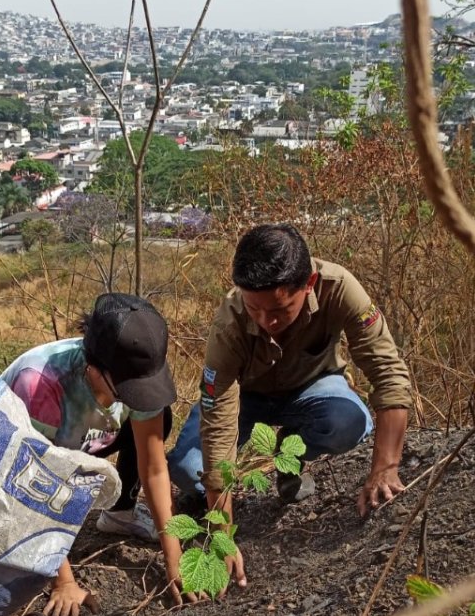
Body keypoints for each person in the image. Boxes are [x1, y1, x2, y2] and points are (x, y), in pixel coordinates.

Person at [168, 223, 413, 593]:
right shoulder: (229, 324)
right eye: (256, 309)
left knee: (349, 422)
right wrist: (222, 535)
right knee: (187, 469)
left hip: (312, 387)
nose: (268, 321)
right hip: (245, 399)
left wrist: (385, 468)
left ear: (309, 283)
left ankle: (291, 452)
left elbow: (388, 373)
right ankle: (208, 500)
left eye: (281, 310)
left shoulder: (341, 289)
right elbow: (218, 418)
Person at [1, 292, 189, 616]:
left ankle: (120, 515)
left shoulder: (140, 360)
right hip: (11, 460)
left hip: (85, 440)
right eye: (126, 390)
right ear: (95, 367)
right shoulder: (40, 383)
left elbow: (154, 466)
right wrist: (64, 581)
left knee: (159, 420)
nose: (136, 396)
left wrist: (174, 556)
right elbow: (31, 485)